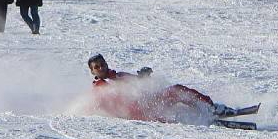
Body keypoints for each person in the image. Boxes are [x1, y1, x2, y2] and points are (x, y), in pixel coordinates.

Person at [87, 54, 235, 123]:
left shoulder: (118, 75)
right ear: (93, 72)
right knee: (174, 93)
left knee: (176, 90)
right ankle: (205, 113)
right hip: (140, 111)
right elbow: (103, 105)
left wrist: (143, 76)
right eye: (97, 67)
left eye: (102, 64)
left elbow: (137, 82)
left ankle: (209, 108)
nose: (101, 68)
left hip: (147, 103)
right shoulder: (100, 87)